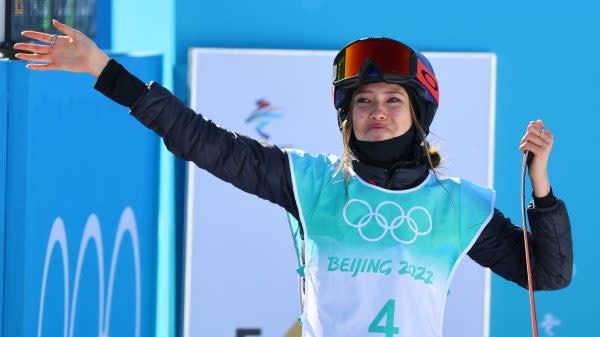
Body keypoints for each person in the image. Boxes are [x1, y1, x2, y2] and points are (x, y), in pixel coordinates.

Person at [14, 20, 573, 337]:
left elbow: (548, 274)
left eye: (393, 99)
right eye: (364, 101)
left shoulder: (460, 206)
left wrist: (541, 188)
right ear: (348, 116)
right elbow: (200, 141)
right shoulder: (308, 180)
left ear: (418, 113)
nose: (377, 110)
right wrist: (104, 70)